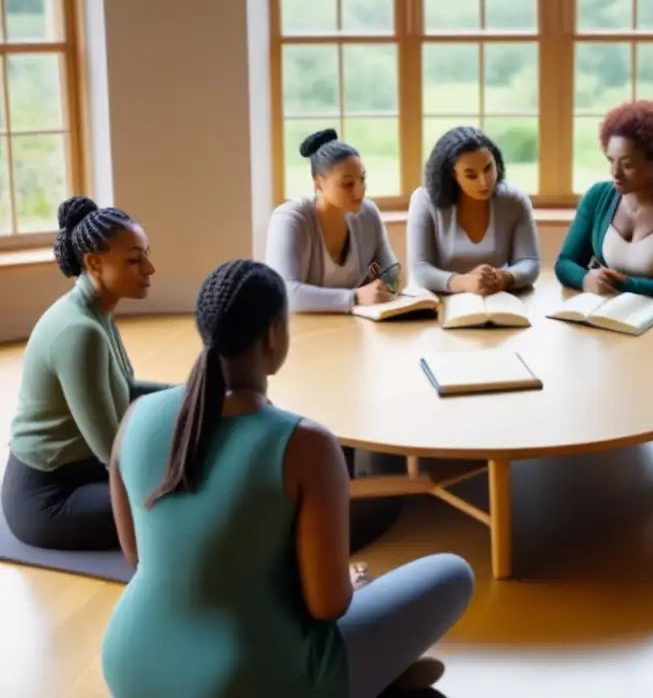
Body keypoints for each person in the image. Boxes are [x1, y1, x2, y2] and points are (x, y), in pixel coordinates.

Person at [101, 259, 474, 697]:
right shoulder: (305, 444)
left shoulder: (137, 415)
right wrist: (344, 583)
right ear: (274, 335)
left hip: (129, 663)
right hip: (240, 680)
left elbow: (135, 554)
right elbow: (326, 605)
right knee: (453, 574)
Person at [1, 196, 164, 551]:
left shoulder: (96, 312)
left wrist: (196, 393)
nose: (149, 268)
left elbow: (128, 389)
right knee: (184, 499)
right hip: (48, 499)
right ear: (93, 263)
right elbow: (111, 452)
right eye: (135, 260)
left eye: (146, 254)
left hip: (81, 471)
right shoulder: (79, 332)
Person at [554, 99, 653, 307]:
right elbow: (564, 263)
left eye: (627, 164)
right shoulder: (597, 197)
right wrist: (586, 279)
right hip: (604, 312)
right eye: (611, 160)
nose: (615, 173)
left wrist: (627, 286)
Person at [265, 128, 401, 313]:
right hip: (301, 331)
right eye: (348, 184)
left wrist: (386, 282)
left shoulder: (368, 213)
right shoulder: (290, 219)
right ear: (319, 182)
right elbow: (284, 292)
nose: (360, 191)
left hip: (355, 327)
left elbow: (388, 269)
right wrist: (355, 297)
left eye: (362, 179)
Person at [406, 125, 540, 295]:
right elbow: (420, 269)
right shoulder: (424, 200)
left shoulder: (514, 199)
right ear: (452, 175)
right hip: (437, 302)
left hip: (495, 298)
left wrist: (505, 277)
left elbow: (529, 262)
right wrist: (463, 282)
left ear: (497, 163)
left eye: (488, 168)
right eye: (471, 175)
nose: (484, 182)